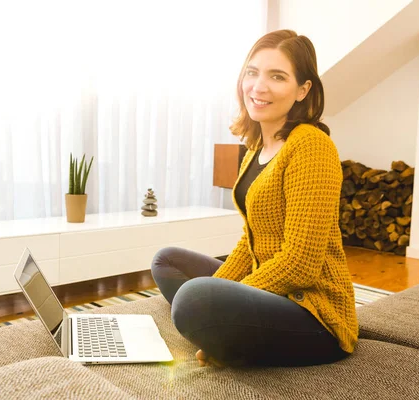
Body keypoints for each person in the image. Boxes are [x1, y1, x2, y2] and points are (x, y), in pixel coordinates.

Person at [151, 29, 357, 367]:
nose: (259, 86)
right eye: (252, 72)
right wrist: (222, 293)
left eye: (277, 76)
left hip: (314, 313)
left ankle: (219, 331)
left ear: (303, 89)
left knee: (194, 298)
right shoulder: (255, 150)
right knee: (168, 261)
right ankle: (218, 328)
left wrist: (231, 295)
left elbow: (301, 264)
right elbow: (251, 242)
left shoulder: (311, 146)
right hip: (271, 288)